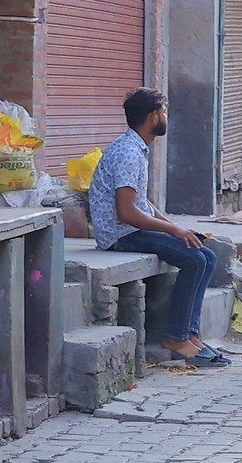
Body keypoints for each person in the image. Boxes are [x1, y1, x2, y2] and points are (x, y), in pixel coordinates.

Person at [89, 88, 228, 370]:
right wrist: (173, 231)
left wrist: (173, 227)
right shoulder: (128, 152)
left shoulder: (136, 147)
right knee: (194, 260)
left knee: (207, 256)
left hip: (130, 230)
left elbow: (143, 203)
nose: (166, 116)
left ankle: (190, 334)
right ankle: (175, 338)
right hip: (119, 236)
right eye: (164, 111)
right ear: (153, 116)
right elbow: (127, 212)